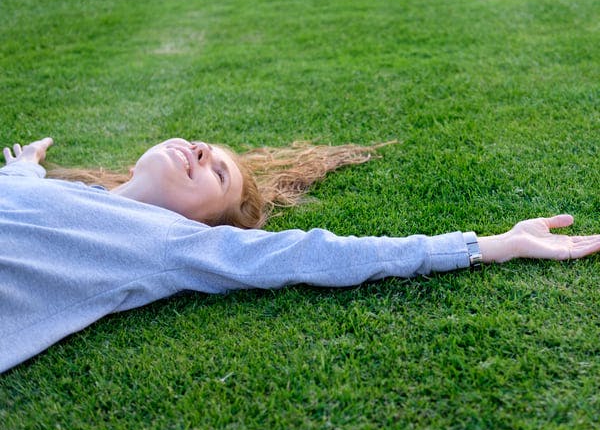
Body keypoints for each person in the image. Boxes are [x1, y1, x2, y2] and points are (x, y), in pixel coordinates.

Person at [1, 137, 599, 374]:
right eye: (210, 151)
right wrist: (25, 167)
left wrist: (493, 245)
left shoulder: (165, 241)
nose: (203, 150)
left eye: (216, 173)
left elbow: (310, 254)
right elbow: (30, 194)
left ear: (199, 222)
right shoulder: (66, 194)